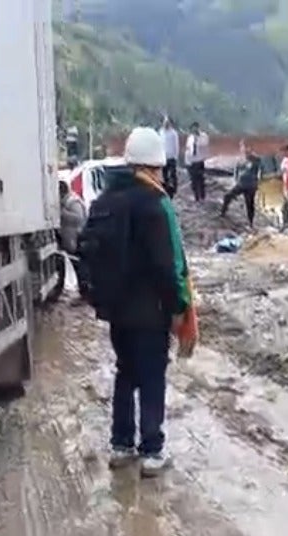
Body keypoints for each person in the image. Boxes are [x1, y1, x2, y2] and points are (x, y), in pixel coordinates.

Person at [76, 127, 193, 477]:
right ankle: (152, 450)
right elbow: (166, 264)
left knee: (126, 372)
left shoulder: (104, 202)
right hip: (150, 312)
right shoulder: (155, 204)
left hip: (116, 311)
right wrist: (178, 306)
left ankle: (121, 445)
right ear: (155, 166)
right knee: (153, 376)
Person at [220, 147, 262, 226]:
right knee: (227, 196)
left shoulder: (257, 160)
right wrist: (235, 180)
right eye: (244, 150)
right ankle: (223, 213)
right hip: (240, 184)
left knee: (249, 204)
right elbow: (236, 170)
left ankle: (251, 222)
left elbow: (260, 171)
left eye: (247, 150)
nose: (245, 152)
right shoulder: (240, 159)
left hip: (251, 185)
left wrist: (258, 181)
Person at [58, 179, 86, 255]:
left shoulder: (73, 202)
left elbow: (79, 219)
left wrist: (63, 213)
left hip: (75, 238)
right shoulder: (66, 202)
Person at [185, 122, 210, 202]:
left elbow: (204, 144)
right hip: (191, 161)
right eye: (193, 129)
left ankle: (202, 196)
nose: (194, 130)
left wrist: (197, 139)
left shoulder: (203, 136)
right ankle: (196, 197)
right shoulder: (190, 138)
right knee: (193, 180)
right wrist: (187, 160)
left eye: (196, 128)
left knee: (201, 179)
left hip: (199, 160)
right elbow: (188, 149)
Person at [159, 117, 180, 197]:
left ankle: (174, 188)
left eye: (167, 123)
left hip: (171, 157)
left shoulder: (173, 133)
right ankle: (166, 188)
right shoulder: (161, 132)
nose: (166, 124)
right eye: (165, 123)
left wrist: (176, 156)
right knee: (164, 174)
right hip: (163, 157)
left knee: (173, 174)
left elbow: (176, 145)